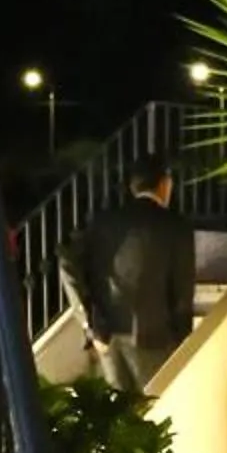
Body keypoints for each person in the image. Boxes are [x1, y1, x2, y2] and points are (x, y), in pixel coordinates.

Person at [59, 154, 196, 398]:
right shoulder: (175, 226)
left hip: (108, 335)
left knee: (119, 417)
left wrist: (88, 320)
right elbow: (182, 290)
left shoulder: (103, 221)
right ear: (164, 184)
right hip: (155, 337)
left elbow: (67, 262)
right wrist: (183, 339)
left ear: (133, 187)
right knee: (155, 412)